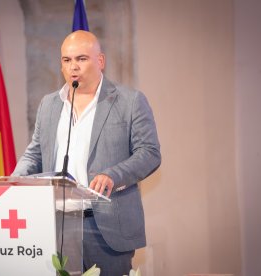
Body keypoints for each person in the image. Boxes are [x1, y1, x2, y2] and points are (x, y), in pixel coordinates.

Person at [12, 30, 161, 276]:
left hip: (107, 225)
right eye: (66, 60)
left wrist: (114, 175)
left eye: (81, 59)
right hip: (57, 223)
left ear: (100, 61)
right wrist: (14, 181)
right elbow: (35, 153)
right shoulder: (49, 104)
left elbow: (150, 152)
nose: (73, 67)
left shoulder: (129, 101)